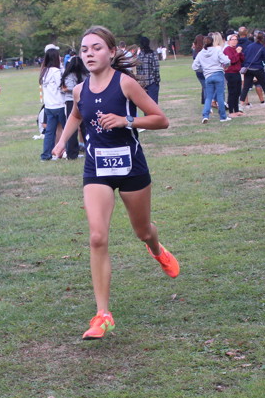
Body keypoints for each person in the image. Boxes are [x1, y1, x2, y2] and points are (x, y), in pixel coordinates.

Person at [51, 25, 178, 341]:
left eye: (96, 48)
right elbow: (77, 115)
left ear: (111, 52)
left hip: (131, 167)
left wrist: (126, 120)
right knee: (97, 237)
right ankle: (103, 314)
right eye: (84, 49)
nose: (89, 54)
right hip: (97, 168)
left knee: (142, 230)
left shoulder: (125, 84)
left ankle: (156, 248)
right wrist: (62, 141)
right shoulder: (80, 90)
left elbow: (161, 119)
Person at [192, 36, 230, 123]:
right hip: (218, 74)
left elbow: (194, 67)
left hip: (208, 76)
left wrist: (204, 70)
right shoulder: (217, 50)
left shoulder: (201, 53)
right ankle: (223, 116)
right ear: (213, 42)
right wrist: (225, 66)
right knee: (220, 96)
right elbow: (226, 61)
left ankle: (205, 115)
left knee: (208, 97)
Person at [39, 48, 66, 161]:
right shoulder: (56, 71)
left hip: (49, 106)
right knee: (67, 130)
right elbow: (62, 87)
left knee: (50, 132)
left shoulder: (44, 72)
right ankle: (69, 152)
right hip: (59, 104)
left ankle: (46, 155)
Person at [239, 32, 265, 109]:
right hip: (258, 68)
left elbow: (244, 56)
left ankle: (241, 104)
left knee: (245, 87)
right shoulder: (263, 48)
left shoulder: (249, 46)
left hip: (248, 68)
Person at [60, 56, 87, 160]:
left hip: (70, 101)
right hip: (83, 101)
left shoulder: (68, 75)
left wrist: (66, 90)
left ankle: (72, 153)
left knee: (72, 128)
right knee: (85, 127)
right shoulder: (86, 74)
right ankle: (90, 148)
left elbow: (68, 88)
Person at [222, 33, 245, 115]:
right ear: (229, 41)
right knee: (232, 92)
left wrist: (240, 52)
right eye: (233, 40)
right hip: (230, 73)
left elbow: (242, 59)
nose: (234, 41)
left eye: (236, 39)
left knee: (238, 92)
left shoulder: (236, 49)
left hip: (237, 72)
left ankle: (236, 110)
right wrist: (237, 53)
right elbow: (232, 61)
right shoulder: (227, 50)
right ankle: (231, 111)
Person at [134, 36, 161, 102]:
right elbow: (156, 69)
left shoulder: (139, 56)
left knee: (145, 104)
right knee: (153, 104)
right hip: (152, 82)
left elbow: (138, 70)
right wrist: (157, 80)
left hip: (142, 83)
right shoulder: (152, 54)